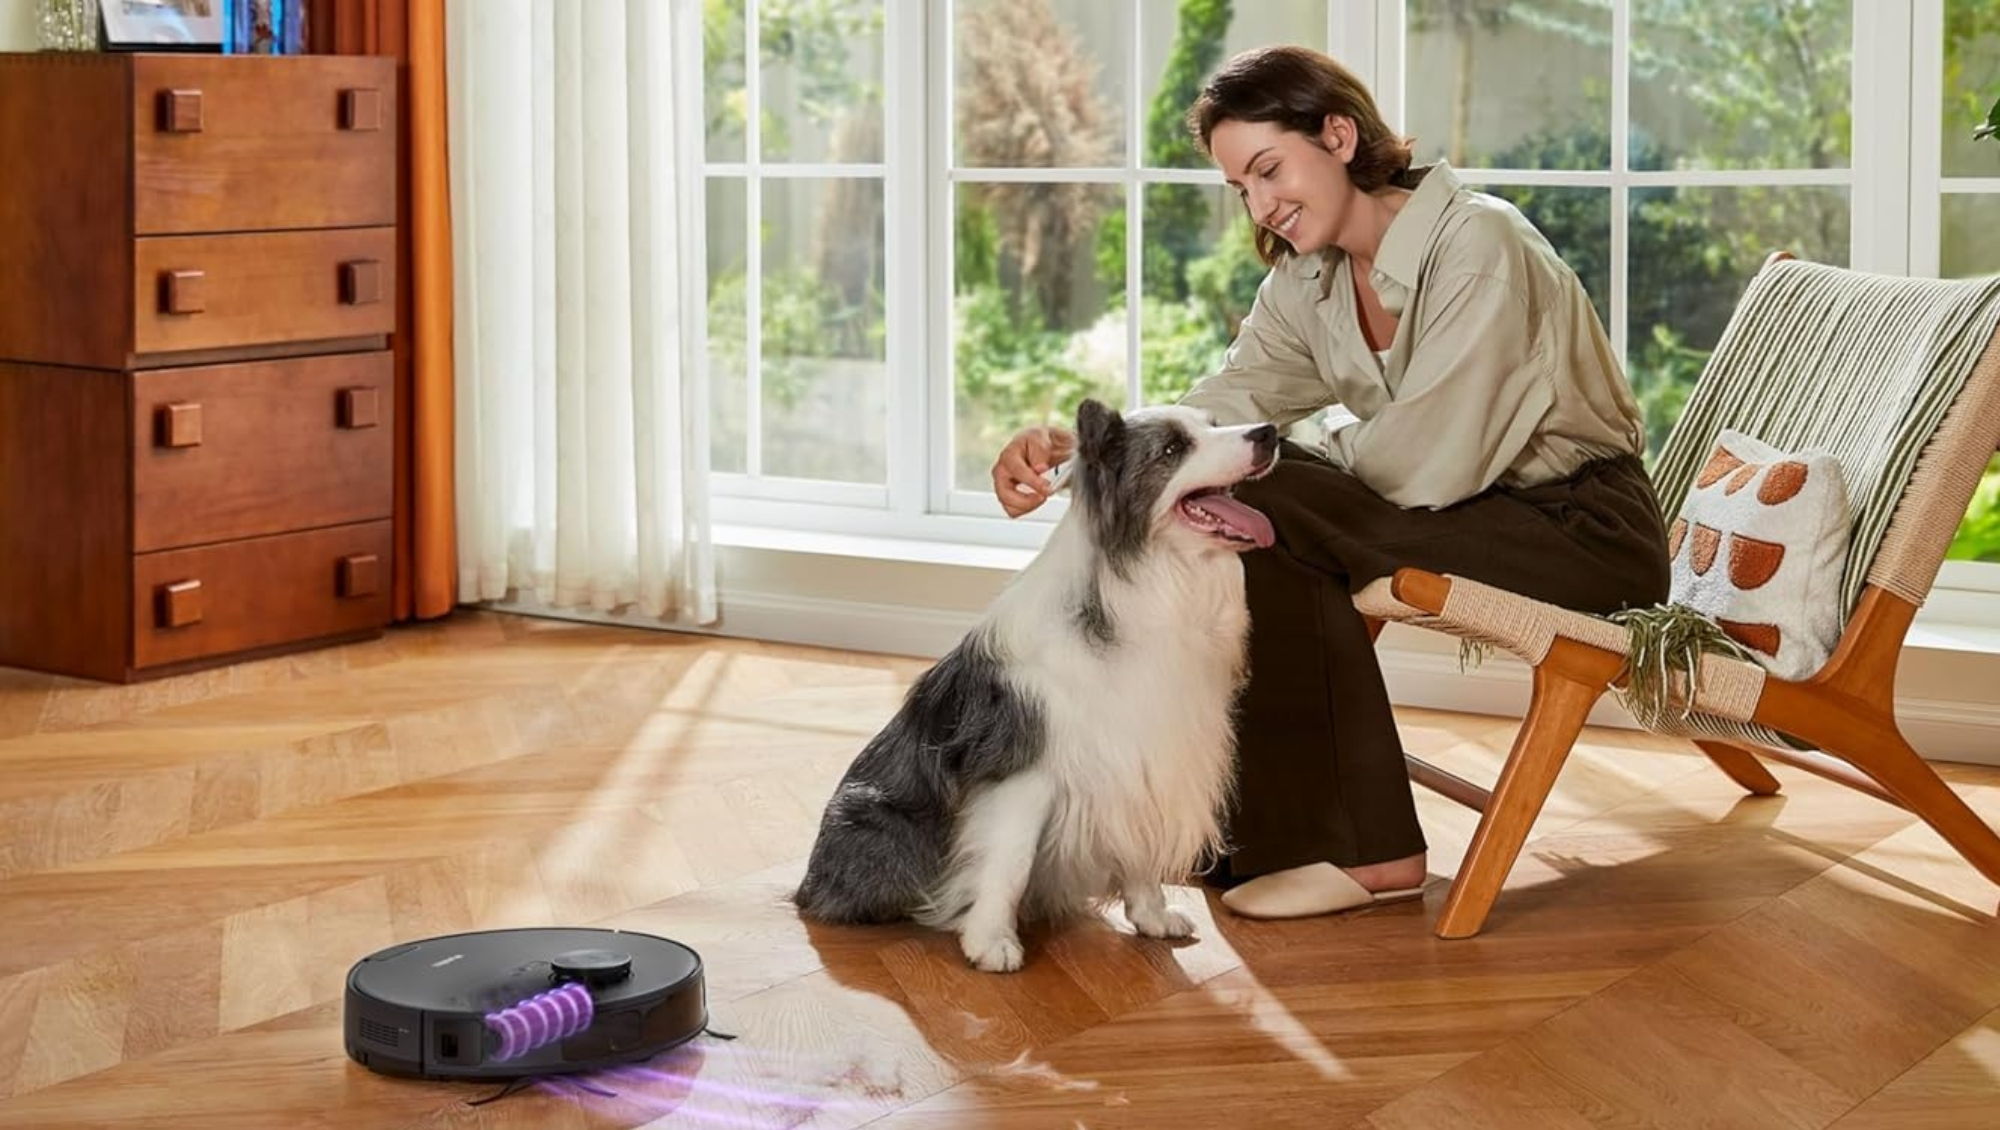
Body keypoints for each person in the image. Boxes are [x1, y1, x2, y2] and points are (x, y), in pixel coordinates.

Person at [989, 44, 1671, 920]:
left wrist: (1273, 461)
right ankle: (1271, 831)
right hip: (1466, 512)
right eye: (1241, 186)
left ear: (1339, 137)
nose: (1260, 204)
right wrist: (1089, 458)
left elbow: (1423, 466)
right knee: (1238, 504)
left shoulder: (1481, 246)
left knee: (1260, 495)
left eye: (1269, 169)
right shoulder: (1307, 280)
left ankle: (1369, 854)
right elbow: (1222, 407)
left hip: (1581, 533)